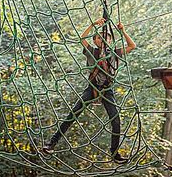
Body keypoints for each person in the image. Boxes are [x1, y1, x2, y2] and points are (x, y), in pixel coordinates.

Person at [43, 18, 136, 163]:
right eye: (99, 37)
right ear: (95, 41)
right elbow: (82, 38)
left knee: (116, 120)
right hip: (92, 88)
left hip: (107, 90)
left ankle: (115, 152)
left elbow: (132, 45)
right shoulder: (92, 51)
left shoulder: (115, 53)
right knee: (73, 113)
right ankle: (52, 143)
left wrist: (122, 31)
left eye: (106, 37)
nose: (103, 39)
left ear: (110, 41)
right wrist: (93, 25)